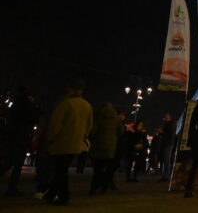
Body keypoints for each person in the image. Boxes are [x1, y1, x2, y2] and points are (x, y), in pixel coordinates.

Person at [45, 78, 93, 206]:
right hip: (76, 142)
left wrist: (50, 138)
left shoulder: (65, 103)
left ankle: (63, 197)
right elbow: (89, 125)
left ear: (70, 89)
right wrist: (82, 135)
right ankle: (50, 195)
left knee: (60, 171)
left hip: (62, 141)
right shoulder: (87, 105)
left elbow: (56, 124)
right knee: (62, 170)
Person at [5, 85, 39, 196]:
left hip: (11, 136)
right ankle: (12, 188)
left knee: (8, 162)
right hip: (22, 136)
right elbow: (33, 117)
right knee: (17, 164)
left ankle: (12, 187)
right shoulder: (27, 104)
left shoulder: (14, 104)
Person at [89, 102, 124, 194]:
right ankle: (104, 187)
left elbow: (93, 131)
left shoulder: (98, 118)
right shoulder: (116, 119)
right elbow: (121, 131)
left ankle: (94, 187)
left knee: (97, 170)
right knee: (108, 168)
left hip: (98, 146)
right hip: (111, 148)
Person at [157, 113, 176, 181]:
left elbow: (170, 135)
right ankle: (165, 175)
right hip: (165, 143)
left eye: (166, 117)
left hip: (168, 144)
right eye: (165, 117)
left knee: (166, 160)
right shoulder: (167, 124)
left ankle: (166, 176)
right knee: (165, 160)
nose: (165, 119)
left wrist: (161, 132)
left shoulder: (171, 125)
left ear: (170, 118)